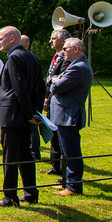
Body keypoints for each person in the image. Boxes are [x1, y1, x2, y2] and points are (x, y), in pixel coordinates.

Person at [0, 26, 44, 207]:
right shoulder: (32, 56)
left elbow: (19, 88)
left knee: (10, 157)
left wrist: (29, 114)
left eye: (0, 38)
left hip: (13, 115)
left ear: (12, 38)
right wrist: (35, 112)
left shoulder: (14, 57)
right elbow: (40, 88)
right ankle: (30, 193)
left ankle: (10, 197)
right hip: (25, 115)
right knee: (25, 154)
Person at [48, 38, 93, 196]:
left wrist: (55, 81)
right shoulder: (75, 65)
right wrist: (56, 80)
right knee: (66, 151)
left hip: (69, 115)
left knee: (72, 152)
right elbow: (56, 82)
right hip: (64, 114)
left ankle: (74, 186)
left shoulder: (78, 68)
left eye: (65, 49)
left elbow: (57, 87)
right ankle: (66, 181)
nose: (63, 52)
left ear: (76, 49)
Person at [41, 29, 72, 177]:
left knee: (60, 138)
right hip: (51, 100)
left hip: (59, 102)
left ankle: (63, 170)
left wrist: (49, 97)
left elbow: (59, 81)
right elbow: (50, 79)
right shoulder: (56, 56)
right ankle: (55, 167)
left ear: (63, 40)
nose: (50, 41)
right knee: (53, 135)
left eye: (53, 38)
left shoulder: (67, 59)